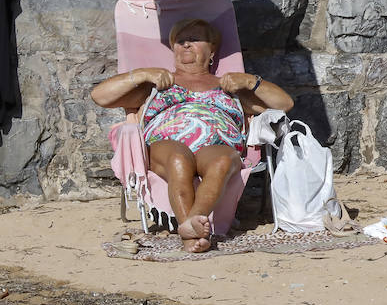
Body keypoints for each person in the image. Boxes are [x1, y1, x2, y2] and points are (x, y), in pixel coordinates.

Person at [90, 17, 294, 252]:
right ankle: (191, 234)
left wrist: (250, 81)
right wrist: (143, 74)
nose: (186, 44)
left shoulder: (228, 86)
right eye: (180, 41)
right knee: (179, 159)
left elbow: (284, 103)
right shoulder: (159, 84)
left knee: (222, 161)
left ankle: (191, 223)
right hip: (167, 144)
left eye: (195, 39)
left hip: (218, 145)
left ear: (212, 51)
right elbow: (100, 96)